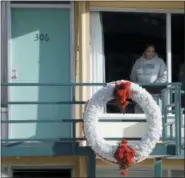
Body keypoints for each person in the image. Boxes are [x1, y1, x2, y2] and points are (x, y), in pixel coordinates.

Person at [130, 44, 167, 113]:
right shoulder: (138, 62)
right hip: (140, 92)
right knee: (140, 112)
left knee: (153, 112)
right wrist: (136, 87)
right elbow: (133, 75)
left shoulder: (159, 61)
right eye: (149, 51)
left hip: (154, 93)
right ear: (144, 51)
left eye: (153, 51)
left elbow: (164, 76)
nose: (151, 53)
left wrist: (155, 85)